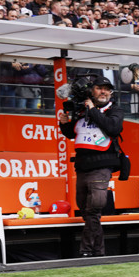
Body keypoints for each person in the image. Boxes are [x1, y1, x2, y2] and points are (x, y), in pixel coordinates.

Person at [58, 76, 124, 257]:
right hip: (82, 167)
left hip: (102, 166)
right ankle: (99, 251)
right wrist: (64, 124)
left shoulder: (115, 110)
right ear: (91, 91)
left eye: (107, 89)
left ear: (111, 92)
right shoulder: (82, 109)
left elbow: (113, 128)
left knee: (94, 209)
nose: (103, 92)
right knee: (87, 213)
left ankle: (85, 251)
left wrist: (93, 109)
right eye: (99, 88)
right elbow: (73, 133)